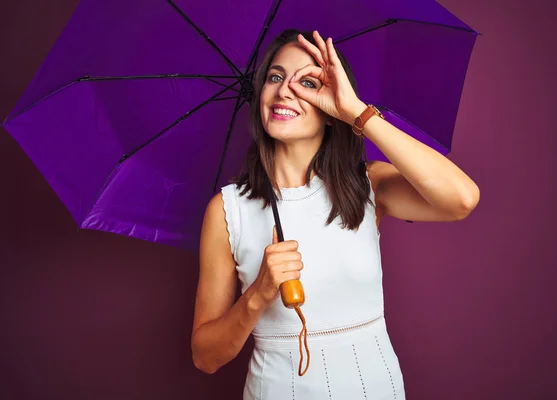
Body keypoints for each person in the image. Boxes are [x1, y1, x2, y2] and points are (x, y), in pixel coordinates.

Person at [191, 29, 480, 399]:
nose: (283, 91)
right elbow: (206, 357)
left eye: (307, 83)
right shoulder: (226, 211)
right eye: (275, 77)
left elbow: (462, 199)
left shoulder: (367, 184)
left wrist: (356, 111)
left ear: (330, 110)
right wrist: (257, 296)